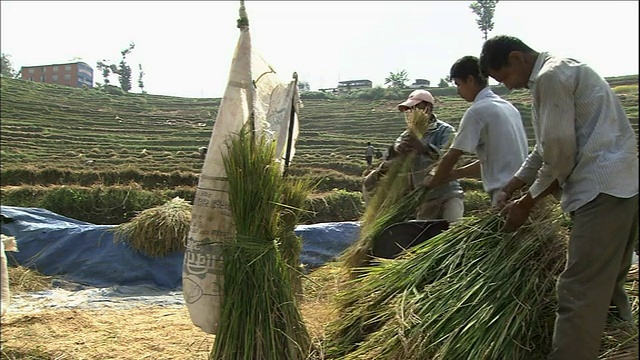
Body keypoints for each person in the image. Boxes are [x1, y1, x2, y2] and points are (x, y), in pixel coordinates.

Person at [479, 35, 639, 360]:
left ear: (517, 58)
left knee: (578, 290)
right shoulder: (560, 70)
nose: (508, 87)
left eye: (505, 77)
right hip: (621, 186)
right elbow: (545, 149)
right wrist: (513, 185)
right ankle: (622, 346)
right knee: (606, 285)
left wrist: (525, 204)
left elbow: (560, 156)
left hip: (600, 190)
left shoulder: (550, 78)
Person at [425, 55, 529, 207]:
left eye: (458, 84)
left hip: (504, 195)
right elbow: (492, 161)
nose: (458, 91)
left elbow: (452, 156)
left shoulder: (477, 111)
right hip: (521, 191)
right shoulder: (508, 107)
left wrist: (432, 182)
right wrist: (454, 175)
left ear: (470, 80)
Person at [395, 90, 464, 223]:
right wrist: (399, 150)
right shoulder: (406, 136)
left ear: (428, 107)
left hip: (448, 194)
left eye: (416, 107)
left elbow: (451, 157)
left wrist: (424, 148)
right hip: (424, 197)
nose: (411, 112)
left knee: (451, 229)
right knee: (423, 236)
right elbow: (392, 155)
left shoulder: (445, 130)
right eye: (409, 109)